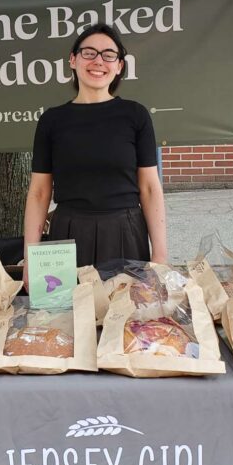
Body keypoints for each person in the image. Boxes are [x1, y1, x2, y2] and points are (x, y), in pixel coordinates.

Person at [24, 23, 167, 276]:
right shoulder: (52, 121)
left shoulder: (136, 115)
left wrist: (160, 255)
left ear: (119, 65)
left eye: (108, 55)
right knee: (67, 314)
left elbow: (149, 188)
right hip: (68, 235)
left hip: (126, 233)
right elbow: (39, 193)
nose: (98, 61)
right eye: (89, 53)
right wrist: (30, 256)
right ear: (73, 59)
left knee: (126, 313)